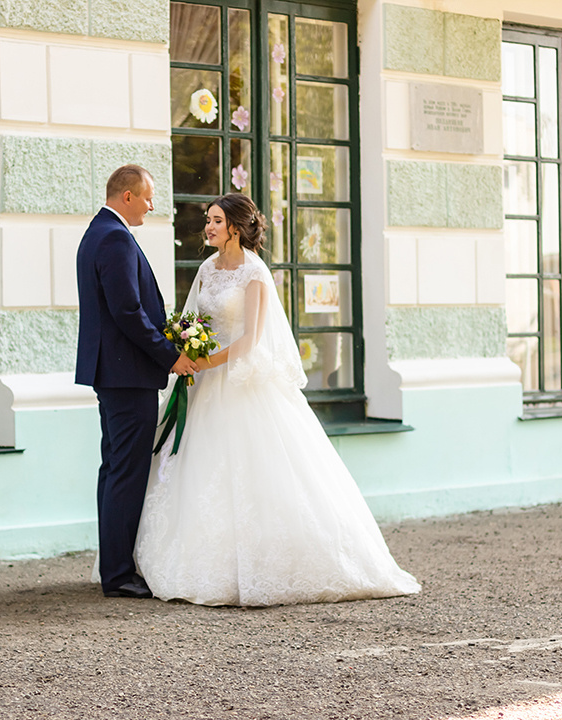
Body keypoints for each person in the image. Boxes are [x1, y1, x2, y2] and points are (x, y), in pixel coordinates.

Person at [134, 193, 421, 606]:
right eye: (208, 220)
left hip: (240, 382)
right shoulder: (206, 268)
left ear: (235, 226)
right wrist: (184, 348)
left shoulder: (254, 273)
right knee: (193, 470)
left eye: (216, 221)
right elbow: (191, 318)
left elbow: (250, 338)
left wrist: (205, 361)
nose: (208, 227)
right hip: (204, 385)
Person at [76, 164, 198, 599]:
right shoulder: (113, 237)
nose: (152, 204)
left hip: (113, 373)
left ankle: (114, 567)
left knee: (114, 468)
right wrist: (171, 356)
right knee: (125, 472)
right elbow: (128, 312)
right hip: (126, 375)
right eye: (147, 196)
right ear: (126, 196)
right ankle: (119, 575)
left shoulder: (99, 232)